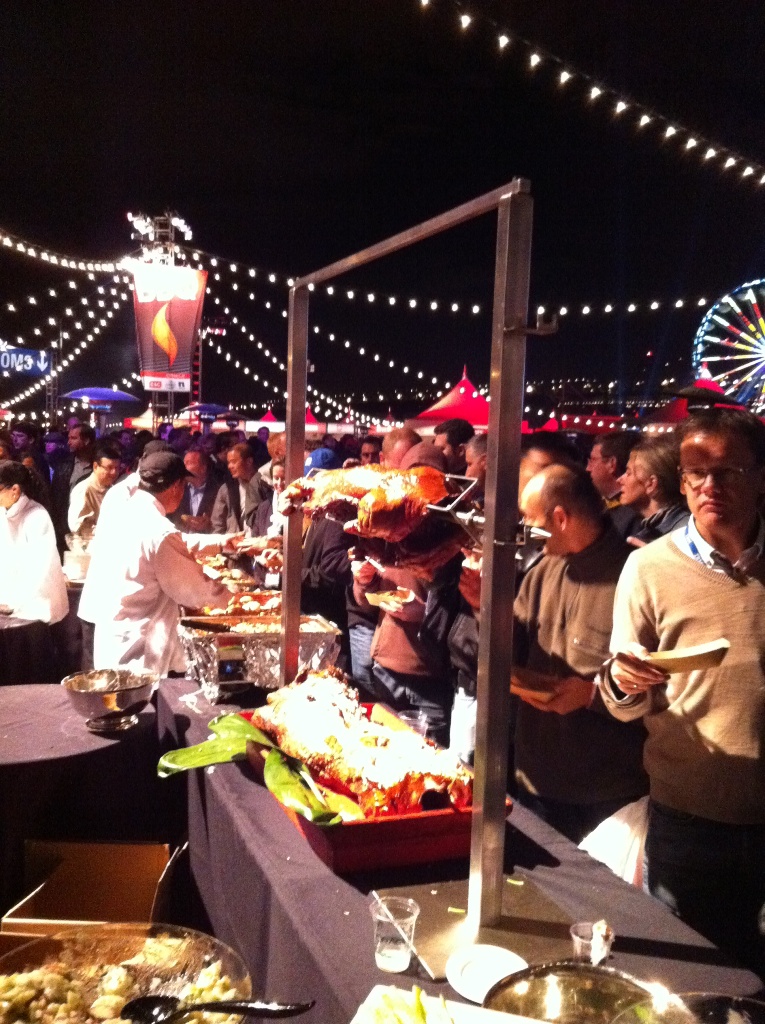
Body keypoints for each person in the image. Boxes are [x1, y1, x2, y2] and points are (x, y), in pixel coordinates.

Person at [599, 407, 765, 977]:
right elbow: (620, 698)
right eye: (696, 473)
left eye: (728, 471)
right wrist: (623, 680)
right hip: (688, 818)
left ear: (761, 477)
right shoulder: (648, 569)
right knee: (686, 979)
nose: (709, 486)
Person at [511, 462, 648, 843]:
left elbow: (665, 690)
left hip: (604, 793)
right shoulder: (543, 571)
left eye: (530, 519)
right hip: (535, 779)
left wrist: (591, 695)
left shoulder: (634, 578)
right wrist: (482, 607)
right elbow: (508, 651)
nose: (525, 529)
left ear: (560, 518)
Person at [90, 451, 235, 675]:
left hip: (113, 634)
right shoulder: (158, 529)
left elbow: (172, 542)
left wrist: (222, 542)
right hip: (139, 650)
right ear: (176, 487)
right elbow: (193, 590)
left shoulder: (125, 509)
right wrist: (235, 600)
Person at [352, 442, 453, 744]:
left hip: (430, 678)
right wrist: (364, 581)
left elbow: (468, 615)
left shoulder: (451, 535)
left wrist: (423, 614)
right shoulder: (390, 528)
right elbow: (365, 604)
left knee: (427, 760)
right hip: (386, 668)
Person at [0, 460, 68, 626]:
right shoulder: (3, 512)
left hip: (37, 607)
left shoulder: (37, 516)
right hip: (9, 601)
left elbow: (40, 570)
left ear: (15, 490)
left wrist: (13, 602)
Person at [616, 436, 689, 545]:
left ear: (651, 484)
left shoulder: (686, 535)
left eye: (629, 473)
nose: (619, 480)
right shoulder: (650, 532)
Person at [50, 422, 97, 548]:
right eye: (69, 438)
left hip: (89, 531)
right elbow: (55, 498)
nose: (69, 442)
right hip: (63, 528)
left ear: (86, 440)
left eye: (74, 438)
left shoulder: (99, 467)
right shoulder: (64, 465)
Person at [211, 442, 271, 534]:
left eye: (234, 461)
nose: (230, 466)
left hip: (260, 538)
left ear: (249, 461)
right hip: (234, 539)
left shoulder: (265, 483)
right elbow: (218, 523)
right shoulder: (226, 489)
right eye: (228, 462)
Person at [67, 441, 122, 538]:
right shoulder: (84, 489)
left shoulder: (113, 488)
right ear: (95, 466)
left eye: (117, 468)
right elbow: (78, 526)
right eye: (109, 468)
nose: (114, 472)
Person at [169, 446, 221, 532]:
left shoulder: (218, 490)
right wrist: (182, 521)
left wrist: (209, 523)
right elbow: (170, 515)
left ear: (203, 468)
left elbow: (222, 520)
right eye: (183, 463)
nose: (183, 467)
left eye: (188, 463)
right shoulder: (177, 488)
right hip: (181, 537)